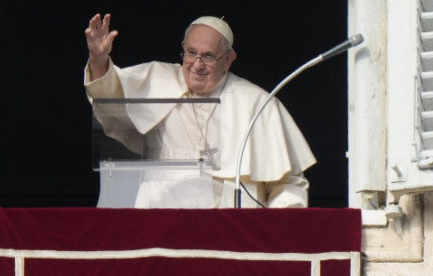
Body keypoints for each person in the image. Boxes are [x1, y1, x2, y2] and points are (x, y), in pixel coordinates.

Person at [84, 13, 316, 208]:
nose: (196, 65)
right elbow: (108, 97)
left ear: (228, 60)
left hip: (233, 230)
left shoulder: (257, 103)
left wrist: (276, 233)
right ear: (183, 48)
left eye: (207, 56)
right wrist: (98, 59)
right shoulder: (156, 78)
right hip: (162, 220)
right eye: (191, 53)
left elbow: (288, 184)